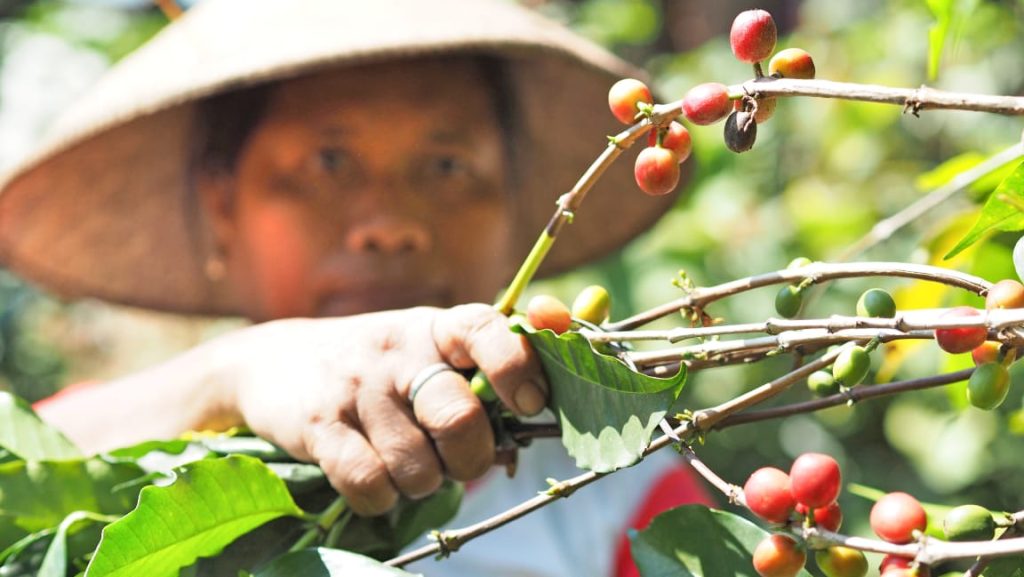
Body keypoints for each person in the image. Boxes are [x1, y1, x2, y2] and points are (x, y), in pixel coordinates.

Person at [0, 0, 710, 575]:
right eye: (328, 160)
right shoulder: (139, 431)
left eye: (447, 165)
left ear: (520, 208)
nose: (389, 224)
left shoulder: (611, 487)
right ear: (224, 208)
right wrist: (231, 374)